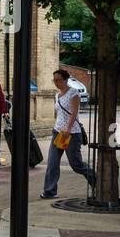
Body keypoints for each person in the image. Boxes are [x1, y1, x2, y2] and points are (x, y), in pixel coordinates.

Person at [40, 70, 96, 198]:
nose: (57, 82)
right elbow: (60, 114)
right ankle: (50, 191)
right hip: (58, 132)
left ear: (66, 80)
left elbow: (75, 112)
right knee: (53, 162)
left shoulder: (73, 93)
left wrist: (68, 128)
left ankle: (96, 181)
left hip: (70, 134)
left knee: (76, 165)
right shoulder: (57, 95)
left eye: (59, 79)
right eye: (55, 80)